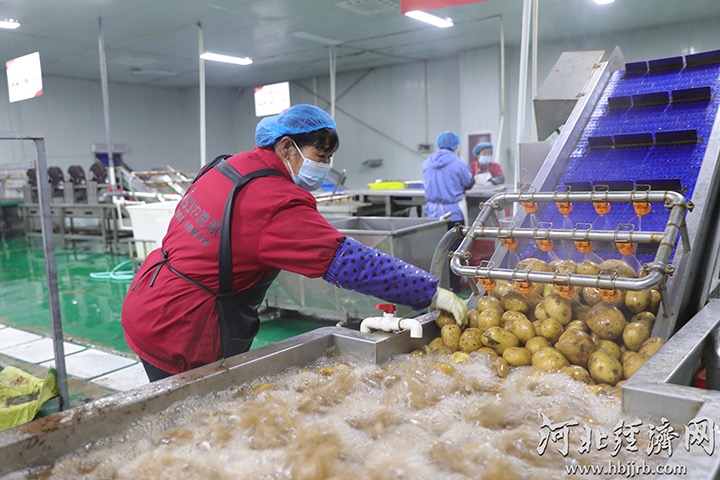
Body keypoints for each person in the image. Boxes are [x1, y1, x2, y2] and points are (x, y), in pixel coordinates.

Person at [122, 105, 467, 382]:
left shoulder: (228, 166)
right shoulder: (273, 201)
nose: (325, 166)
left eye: (329, 158)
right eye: (320, 155)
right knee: (192, 423)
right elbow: (349, 262)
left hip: (149, 296)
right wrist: (429, 292)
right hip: (184, 327)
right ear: (286, 146)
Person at [422, 131, 475, 293]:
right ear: (455, 146)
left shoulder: (427, 163)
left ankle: (436, 285)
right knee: (454, 250)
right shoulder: (459, 164)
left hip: (432, 214)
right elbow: (468, 182)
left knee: (435, 251)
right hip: (453, 213)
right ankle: (454, 286)